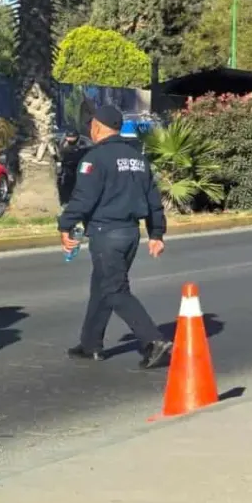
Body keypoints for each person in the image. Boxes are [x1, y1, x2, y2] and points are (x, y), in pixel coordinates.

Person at [59, 105, 173, 369]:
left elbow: (83, 198)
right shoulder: (137, 158)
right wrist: (156, 233)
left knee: (114, 289)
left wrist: (65, 225)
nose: (89, 129)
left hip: (106, 233)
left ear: (98, 127)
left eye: (91, 125)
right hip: (130, 233)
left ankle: (153, 341)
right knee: (102, 287)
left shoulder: (94, 159)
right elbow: (153, 200)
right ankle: (90, 344)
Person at [56, 130, 84, 205]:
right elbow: (59, 155)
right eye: (69, 137)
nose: (70, 139)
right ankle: (65, 199)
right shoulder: (62, 142)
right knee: (65, 182)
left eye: (72, 137)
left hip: (79, 164)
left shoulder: (84, 142)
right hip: (66, 165)